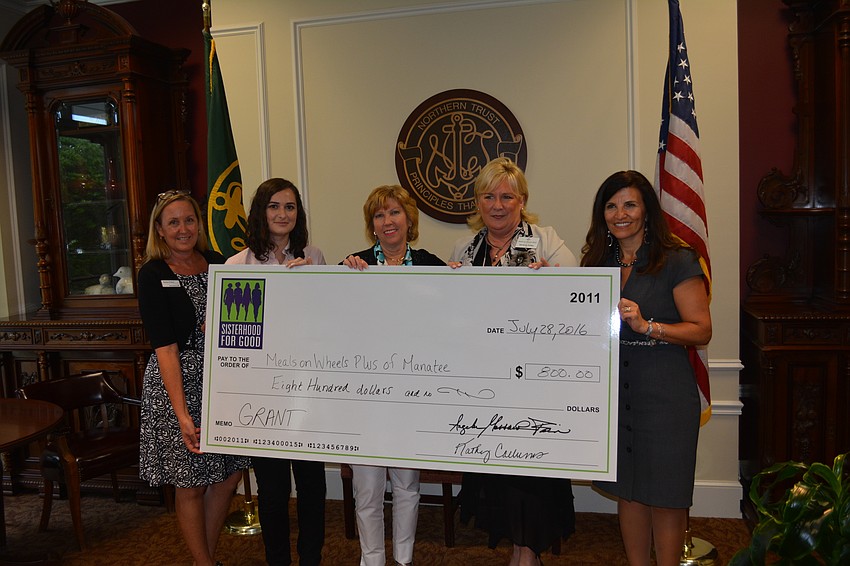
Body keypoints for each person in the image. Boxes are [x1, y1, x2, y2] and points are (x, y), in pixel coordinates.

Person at [449, 157, 577, 566]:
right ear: (478, 202)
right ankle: (516, 546)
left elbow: (577, 293)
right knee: (498, 470)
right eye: (489, 196)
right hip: (486, 381)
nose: (498, 204)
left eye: (507, 196)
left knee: (531, 472)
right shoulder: (465, 249)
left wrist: (550, 277)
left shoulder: (546, 240)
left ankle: (526, 552)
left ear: (522, 201)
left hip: (534, 383)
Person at [581, 170, 712, 566]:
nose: (620, 214)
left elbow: (701, 330)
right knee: (630, 491)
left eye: (630, 204)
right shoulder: (596, 263)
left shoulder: (677, 258)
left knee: (666, 498)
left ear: (646, 210)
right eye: (611, 205)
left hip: (665, 395)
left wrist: (647, 326)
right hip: (615, 397)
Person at [137, 189, 249, 566]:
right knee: (190, 481)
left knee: (228, 474)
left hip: (222, 382)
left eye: (189, 220)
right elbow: (165, 347)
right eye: (173, 222)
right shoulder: (152, 273)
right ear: (160, 229)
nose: (183, 228)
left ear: (199, 224)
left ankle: (208, 557)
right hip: (177, 386)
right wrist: (183, 414)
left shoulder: (218, 262)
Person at [341, 184, 445, 566]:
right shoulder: (353, 266)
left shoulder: (433, 265)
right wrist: (310, 274)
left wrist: (457, 281)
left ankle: (403, 559)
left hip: (412, 398)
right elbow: (326, 315)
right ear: (372, 225)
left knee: (407, 484)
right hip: (366, 399)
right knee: (367, 490)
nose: (388, 221)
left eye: (395, 213)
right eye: (379, 215)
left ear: (409, 219)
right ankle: (372, 560)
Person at [226, 178, 327, 566]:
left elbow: (323, 326)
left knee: (312, 486)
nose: (282, 214)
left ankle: (311, 559)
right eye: (274, 206)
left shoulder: (315, 257)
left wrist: (307, 285)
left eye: (289, 207)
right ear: (260, 212)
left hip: (306, 394)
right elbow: (236, 336)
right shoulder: (237, 264)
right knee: (271, 491)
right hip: (262, 396)